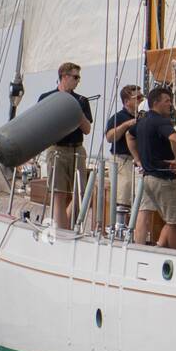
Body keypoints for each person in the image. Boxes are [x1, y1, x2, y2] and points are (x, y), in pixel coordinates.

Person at [133, 85, 176, 250]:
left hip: (147, 178)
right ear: (156, 103)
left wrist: (137, 159)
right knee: (175, 221)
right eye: (167, 101)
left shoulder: (142, 122)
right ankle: (175, 256)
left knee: (144, 212)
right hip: (163, 178)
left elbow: (130, 135)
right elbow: (175, 139)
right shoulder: (160, 121)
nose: (170, 105)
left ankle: (140, 247)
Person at [37, 62, 93, 229]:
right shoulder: (46, 98)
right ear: (64, 76)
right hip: (57, 149)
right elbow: (41, 125)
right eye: (75, 77)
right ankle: (62, 230)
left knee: (80, 193)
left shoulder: (81, 101)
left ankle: (65, 225)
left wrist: (76, 110)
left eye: (79, 78)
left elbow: (87, 129)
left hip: (77, 149)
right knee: (58, 193)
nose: (78, 81)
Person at [103, 84, 142, 226]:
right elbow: (109, 137)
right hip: (122, 160)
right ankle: (120, 227)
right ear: (127, 102)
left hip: (137, 162)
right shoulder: (118, 117)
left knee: (135, 197)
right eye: (137, 97)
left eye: (141, 97)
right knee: (123, 196)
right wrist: (126, 125)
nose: (140, 100)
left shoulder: (142, 116)